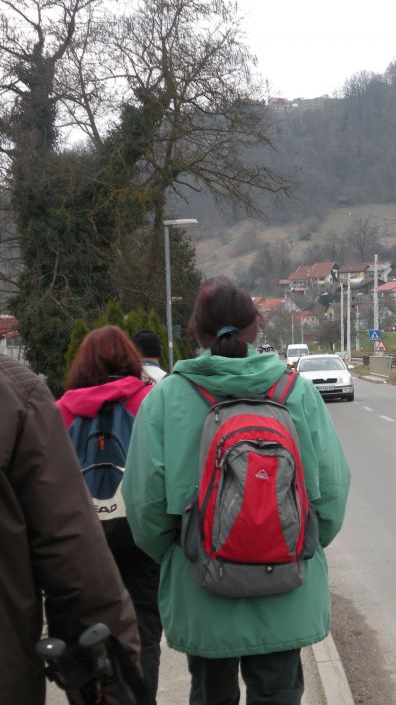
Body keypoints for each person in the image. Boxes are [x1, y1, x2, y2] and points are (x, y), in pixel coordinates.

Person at [123, 276, 350, 705]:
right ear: (256, 326)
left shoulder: (166, 398)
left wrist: (185, 552)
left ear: (195, 331)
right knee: (280, 692)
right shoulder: (295, 393)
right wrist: (292, 543)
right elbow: (333, 494)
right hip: (286, 585)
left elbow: (144, 505)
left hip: (200, 586)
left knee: (209, 694)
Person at [0, 354, 142, 704]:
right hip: (131, 535)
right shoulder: (16, 392)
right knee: (148, 620)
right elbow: (71, 554)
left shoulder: (54, 404)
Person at [56, 325, 162, 701]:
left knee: (87, 635)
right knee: (145, 632)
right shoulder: (150, 401)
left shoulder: (61, 411)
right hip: (140, 537)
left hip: (83, 544)